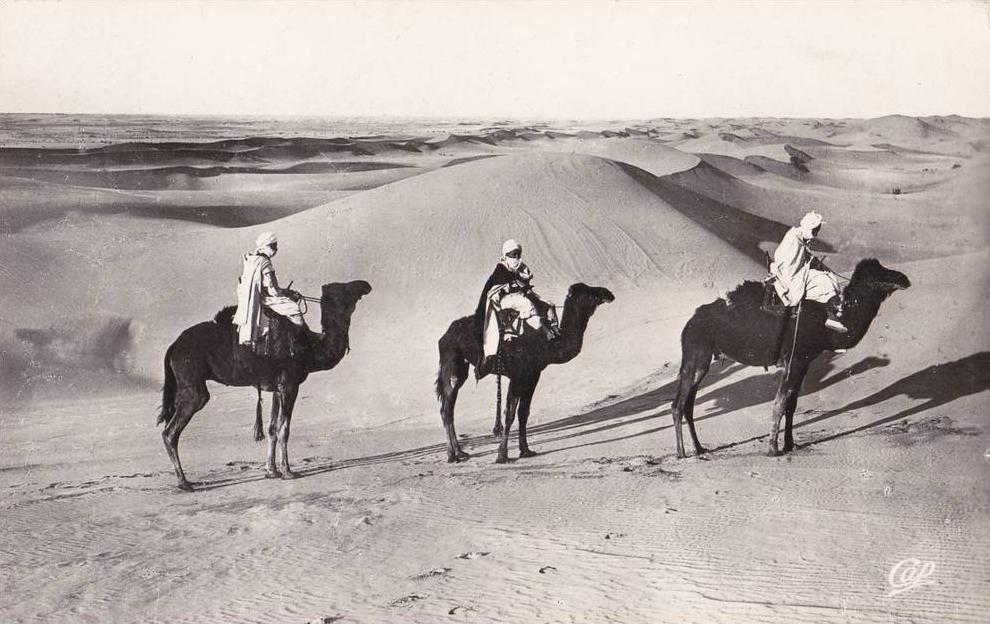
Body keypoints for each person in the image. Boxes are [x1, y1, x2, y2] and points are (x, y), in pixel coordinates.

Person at [475, 239, 558, 375]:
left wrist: (530, 293)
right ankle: (542, 328)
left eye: (518, 254)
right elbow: (492, 293)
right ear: (506, 255)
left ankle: (554, 330)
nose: (517, 258)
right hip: (504, 300)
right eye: (513, 255)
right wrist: (499, 310)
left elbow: (524, 284)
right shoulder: (501, 270)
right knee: (527, 304)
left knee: (549, 305)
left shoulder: (522, 269)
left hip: (521, 294)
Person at [769, 212, 847, 333]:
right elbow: (786, 263)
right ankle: (832, 315)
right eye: (814, 231)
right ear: (808, 228)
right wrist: (805, 266)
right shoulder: (793, 238)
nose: (815, 235)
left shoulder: (800, 236)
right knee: (823, 281)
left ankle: (833, 312)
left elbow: (800, 255)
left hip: (799, 271)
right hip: (791, 278)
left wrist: (808, 259)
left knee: (828, 277)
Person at [232, 231, 310, 351]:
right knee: (294, 309)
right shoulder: (265, 263)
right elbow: (272, 290)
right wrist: (288, 293)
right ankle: (302, 343)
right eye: (273, 246)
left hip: (252, 297)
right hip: (265, 297)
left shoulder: (252, 259)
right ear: (265, 246)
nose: (275, 249)